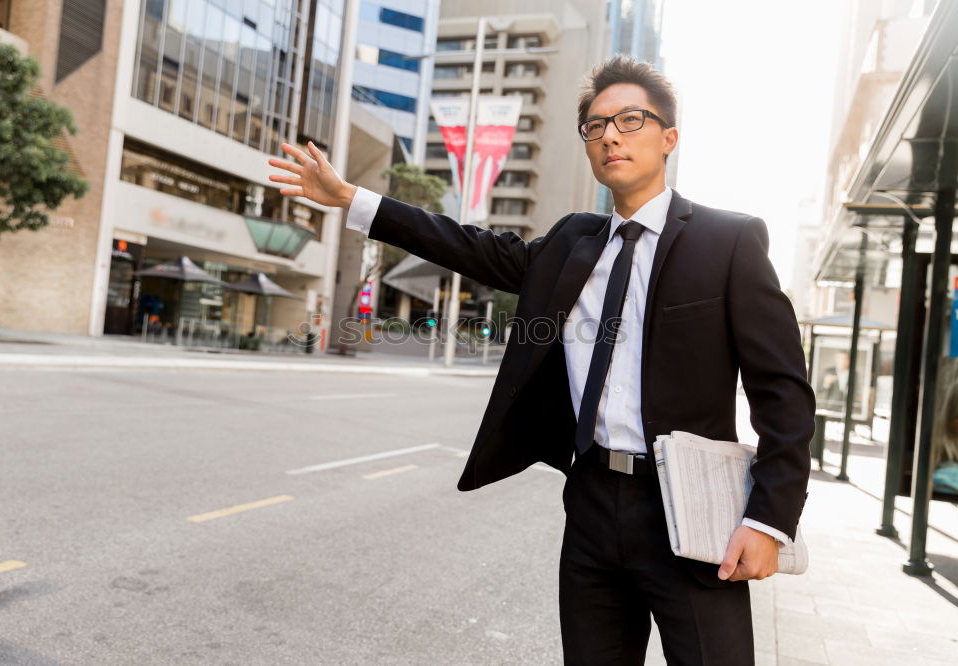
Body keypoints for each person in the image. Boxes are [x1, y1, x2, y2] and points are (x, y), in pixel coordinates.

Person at [268, 54, 815, 665]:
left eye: (630, 120)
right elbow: (466, 245)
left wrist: (768, 520)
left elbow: (783, 394)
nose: (610, 134)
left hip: (689, 509)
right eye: (596, 126)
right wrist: (352, 199)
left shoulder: (728, 241)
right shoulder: (570, 244)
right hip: (590, 504)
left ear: (669, 138)